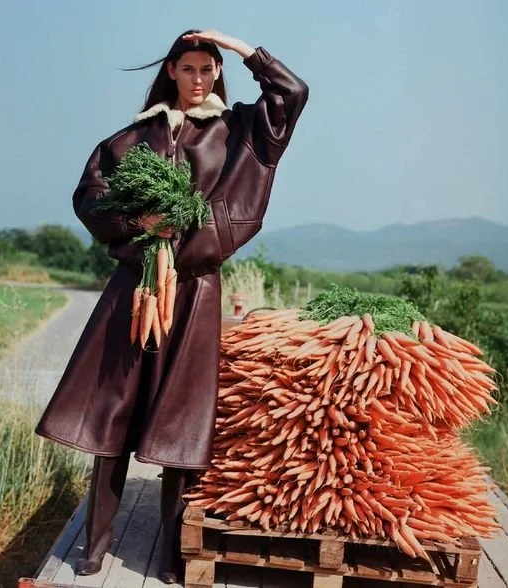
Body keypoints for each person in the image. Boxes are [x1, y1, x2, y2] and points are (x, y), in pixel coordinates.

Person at [35, 29, 308, 583]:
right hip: (133, 291)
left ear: (218, 72)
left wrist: (236, 45)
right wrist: (141, 225)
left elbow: (292, 92)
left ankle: (171, 554)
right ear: (171, 73)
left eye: (208, 69)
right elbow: (88, 197)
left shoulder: (239, 131)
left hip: (196, 292)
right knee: (114, 412)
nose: (199, 79)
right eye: (188, 69)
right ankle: (95, 545)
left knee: (179, 425)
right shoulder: (130, 139)